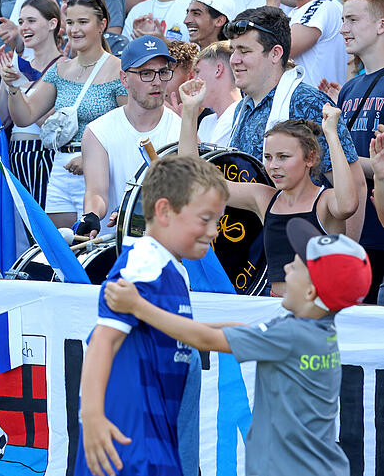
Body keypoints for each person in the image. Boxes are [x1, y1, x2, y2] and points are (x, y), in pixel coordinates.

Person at [103, 216, 369, 476]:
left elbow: (207, 341)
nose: (286, 268)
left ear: (311, 292)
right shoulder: (315, 331)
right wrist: (176, 322)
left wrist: (139, 307)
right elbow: (240, 330)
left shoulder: (293, 335)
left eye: (295, 266)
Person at [75, 155, 228, 476]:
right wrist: (91, 417)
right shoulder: (144, 262)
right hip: (127, 438)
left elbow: (183, 331)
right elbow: (103, 339)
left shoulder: (172, 266)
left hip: (154, 433)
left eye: (217, 220)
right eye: (205, 219)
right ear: (163, 211)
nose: (214, 231)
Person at [182, 76, 358, 295]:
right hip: (275, 308)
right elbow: (194, 181)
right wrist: (189, 113)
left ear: (310, 159)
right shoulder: (264, 198)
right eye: (268, 157)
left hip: (318, 314)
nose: (273, 166)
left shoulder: (325, 201)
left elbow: (348, 204)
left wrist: (331, 135)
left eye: (283, 157)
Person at [224, 6, 366, 238]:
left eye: (244, 50)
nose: (234, 60)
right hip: (256, 255)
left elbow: (355, 185)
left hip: (309, 256)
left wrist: (343, 259)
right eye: (233, 50)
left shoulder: (307, 103)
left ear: (275, 53)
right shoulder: (242, 108)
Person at [0, 0, 126, 227]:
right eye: (70, 22)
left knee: (94, 249)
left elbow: (130, 127)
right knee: (61, 250)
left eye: (82, 22)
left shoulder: (119, 70)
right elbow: (24, 116)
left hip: (100, 172)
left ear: (102, 25)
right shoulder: (60, 70)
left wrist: (90, 158)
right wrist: (13, 88)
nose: (74, 29)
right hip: (60, 168)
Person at [77, 36, 182, 238]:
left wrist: (135, 213)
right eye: (146, 74)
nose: (157, 82)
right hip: (117, 250)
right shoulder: (98, 131)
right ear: (124, 78)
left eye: (163, 72)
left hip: (170, 248)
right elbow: (97, 192)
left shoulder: (182, 131)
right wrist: (91, 215)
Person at [336, 0, 384, 303]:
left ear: (381, 24)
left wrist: (342, 161)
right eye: (342, 20)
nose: (343, 29)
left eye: (352, 20)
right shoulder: (349, 88)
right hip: (355, 231)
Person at [192, 41, 240, 145]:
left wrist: (187, 119)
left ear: (218, 70)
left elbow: (203, 161)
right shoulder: (207, 121)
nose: (194, 81)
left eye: (197, 72)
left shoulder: (238, 116)